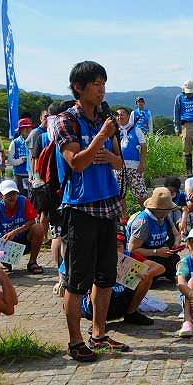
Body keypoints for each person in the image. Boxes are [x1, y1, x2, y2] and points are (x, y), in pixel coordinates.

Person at [55, 61, 128, 362]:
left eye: (103, 83)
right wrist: (100, 137)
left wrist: (108, 152)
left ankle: (99, 334)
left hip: (108, 205)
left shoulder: (105, 117)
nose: (101, 89)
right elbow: (77, 163)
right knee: (76, 281)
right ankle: (75, 342)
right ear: (78, 87)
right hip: (81, 208)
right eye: (96, 83)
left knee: (106, 277)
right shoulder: (64, 121)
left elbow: (118, 163)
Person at [0, 180, 43, 273]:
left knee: (38, 228)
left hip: (24, 240)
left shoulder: (23, 201)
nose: (12, 197)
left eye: (14, 193)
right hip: (6, 244)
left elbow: (32, 221)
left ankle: (32, 262)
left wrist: (15, 232)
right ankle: (3, 261)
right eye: (8, 194)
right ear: (0, 196)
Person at [127, 187, 182, 282]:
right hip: (145, 256)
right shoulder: (143, 223)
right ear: (159, 210)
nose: (169, 211)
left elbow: (177, 235)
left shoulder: (165, 217)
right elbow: (132, 250)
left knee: (179, 267)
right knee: (149, 278)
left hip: (160, 253)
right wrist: (156, 252)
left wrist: (176, 245)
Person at [117, 107, 148, 207]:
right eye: (118, 115)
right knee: (120, 194)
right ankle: (124, 217)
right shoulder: (115, 131)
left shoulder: (136, 130)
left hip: (134, 166)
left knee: (140, 192)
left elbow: (143, 146)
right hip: (119, 166)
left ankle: (147, 213)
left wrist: (142, 163)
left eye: (122, 114)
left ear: (128, 116)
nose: (119, 116)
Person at [8, 118, 33, 197]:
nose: (28, 129)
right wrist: (22, 160)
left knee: (32, 198)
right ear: (20, 130)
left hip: (32, 176)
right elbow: (10, 160)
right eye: (25, 127)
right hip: (19, 176)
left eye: (29, 127)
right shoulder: (15, 142)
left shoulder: (34, 140)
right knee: (20, 197)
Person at [26, 109, 49, 177]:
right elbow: (32, 156)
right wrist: (34, 175)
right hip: (36, 172)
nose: (47, 119)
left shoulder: (50, 132)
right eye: (45, 117)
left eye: (49, 117)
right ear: (41, 118)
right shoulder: (36, 133)